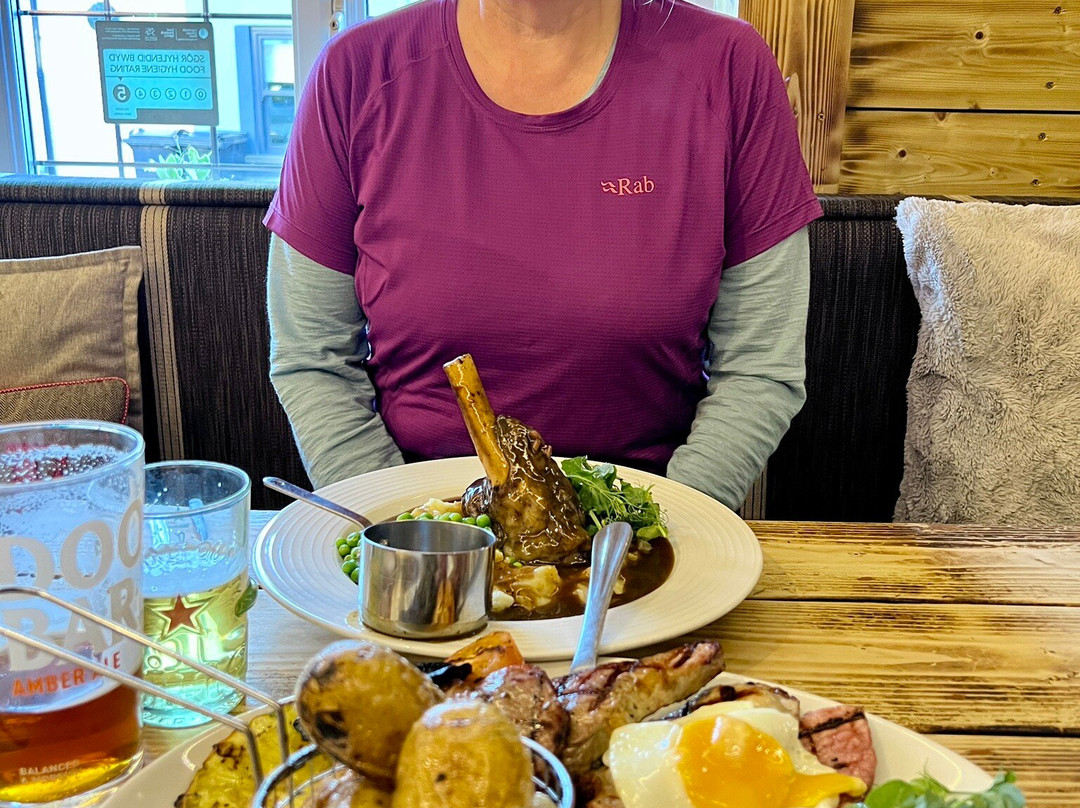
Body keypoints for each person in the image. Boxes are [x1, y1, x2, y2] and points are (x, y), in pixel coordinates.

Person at [265, 0, 820, 511]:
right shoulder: (355, 72)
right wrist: (399, 527)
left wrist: (669, 530)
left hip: (652, 514)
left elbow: (758, 368)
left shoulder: (728, 66)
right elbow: (313, 359)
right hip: (413, 518)